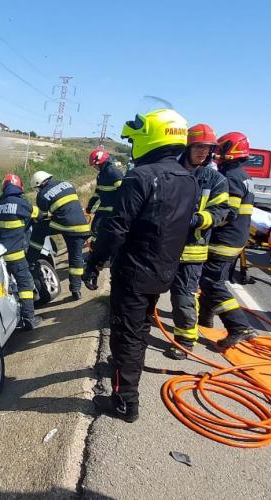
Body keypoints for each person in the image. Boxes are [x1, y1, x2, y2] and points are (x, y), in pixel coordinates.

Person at [83, 108, 198, 422]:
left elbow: (115, 229)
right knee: (140, 328)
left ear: (150, 138)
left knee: (126, 335)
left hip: (134, 273)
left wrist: (94, 264)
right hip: (163, 271)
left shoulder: (140, 176)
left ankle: (124, 402)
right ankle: (120, 368)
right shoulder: (188, 179)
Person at [165, 124, 229, 360]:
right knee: (149, 291)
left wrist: (195, 220)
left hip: (192, 251)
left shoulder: (216, 180)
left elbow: (222, 211)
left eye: (208, 148)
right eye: (199, 147)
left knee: (183, 297)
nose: (203, 152)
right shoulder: (170, 171)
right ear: (188, 147)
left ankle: (185, 340)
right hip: (164, 248)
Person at [198, 132, 258, 349]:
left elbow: (227, 213)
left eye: (220, 149)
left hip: (225, 239)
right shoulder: (243, 175)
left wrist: (202, 222)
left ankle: (239, 327)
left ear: (230, 150)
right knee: (212, 280)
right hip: (236, 238)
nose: (216, 153)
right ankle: (204, 318)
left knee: (211, 282)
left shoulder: (231, 177)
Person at [27, 171, 91, 300]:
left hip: (66, 226)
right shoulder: (66, 184)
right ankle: (76, 290)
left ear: (39, 184)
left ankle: (31, 260)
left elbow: (42, 215)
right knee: (76, 258)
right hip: (82, 226)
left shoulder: (42, 196)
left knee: (39, 229)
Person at [0, 174, 42, 330]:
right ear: (19, 187)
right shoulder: (21, 203)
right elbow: (38, 214)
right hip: (17, 255)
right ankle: (28, 318)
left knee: (8, 288)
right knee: (25, 285)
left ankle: (15, 315)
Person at [86, 148, 125, 247]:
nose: (95, 167)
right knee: (95, 228)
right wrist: (90, 205)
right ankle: (94, 249)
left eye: (95, 165)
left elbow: (124, 192)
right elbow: (97, 192)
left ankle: (100, 250)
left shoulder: (114, 174)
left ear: (101, 162)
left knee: (101, 228)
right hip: (103, 206)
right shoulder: (101, 175)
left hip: (114, 208)